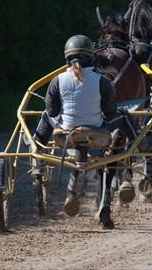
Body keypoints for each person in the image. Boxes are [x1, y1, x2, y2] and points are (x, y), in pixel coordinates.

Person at [31, 34, 133, 229]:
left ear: (67, 57)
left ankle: (38, 148)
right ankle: (140, 145)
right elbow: (110, 111)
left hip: (65, 136)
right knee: (123, 114)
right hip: (98, 135)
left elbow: (52, 111)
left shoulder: (57, 80)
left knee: (45, 115)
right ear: (91, 57)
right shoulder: (102, 81)